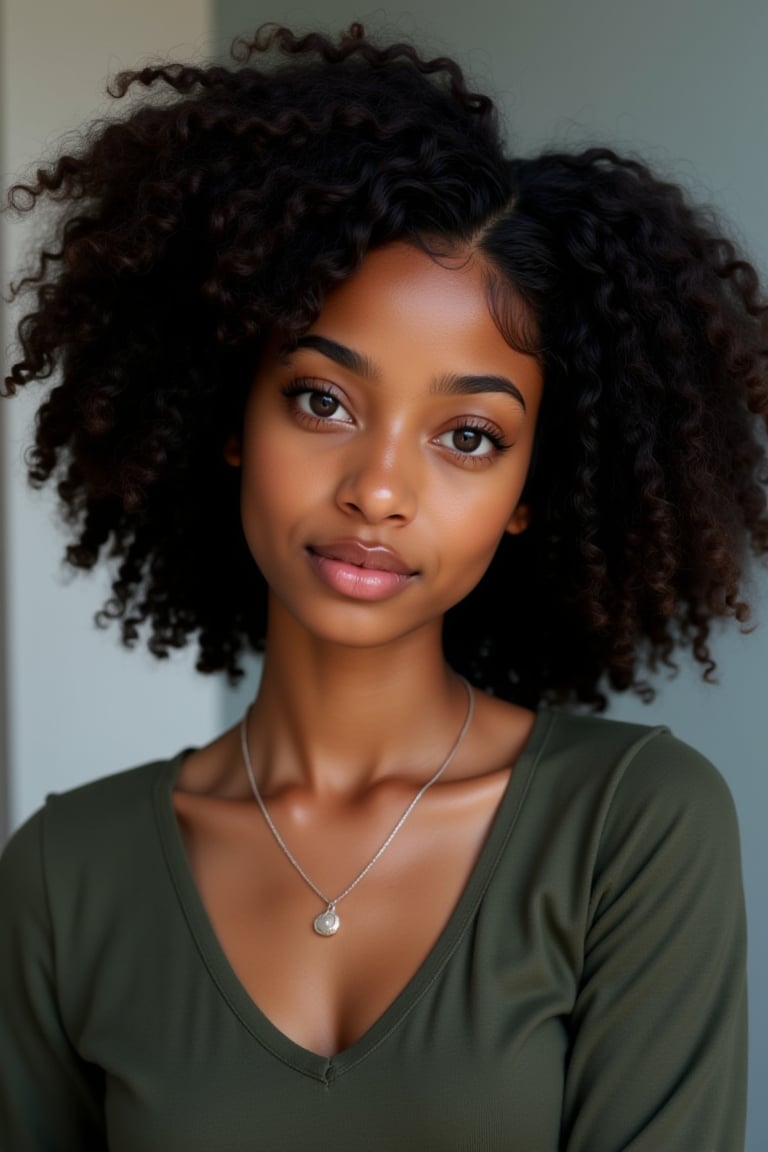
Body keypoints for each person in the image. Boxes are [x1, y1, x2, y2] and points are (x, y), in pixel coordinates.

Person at [0, 23, 763, 1151]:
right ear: (232, 419)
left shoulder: (632, 828)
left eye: (466, 435)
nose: (380, 490)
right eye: (322, 401)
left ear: (527, 493)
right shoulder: (66, 876)